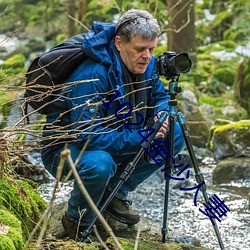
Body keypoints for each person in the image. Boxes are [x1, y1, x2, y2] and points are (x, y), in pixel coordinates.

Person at [41, 9, 185, 241]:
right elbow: (88, 136)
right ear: (119, 43)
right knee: (100, 164)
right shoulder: (92, 75)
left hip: (117, 134)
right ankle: (76, 221)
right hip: (66, 150)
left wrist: (161, 114)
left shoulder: (145, 64)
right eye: (140, 49)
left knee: (175, 132)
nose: (147, 56)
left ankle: (115, 193)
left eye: (151, 49)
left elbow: (159, 96)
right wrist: (144, 136)